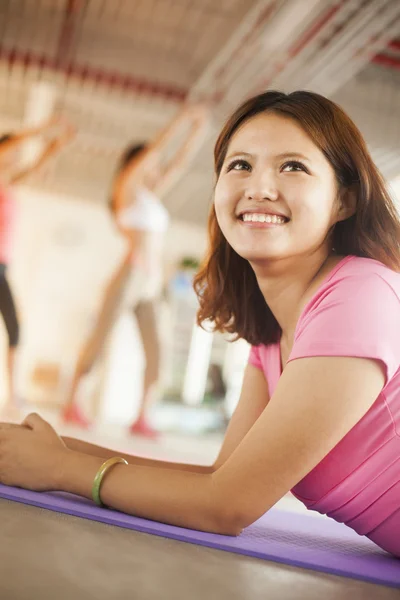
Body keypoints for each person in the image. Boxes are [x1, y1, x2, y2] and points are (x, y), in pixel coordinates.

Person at [0, 90, 399, 558]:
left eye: (293, 166)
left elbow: (227, 504)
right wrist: (60, 448)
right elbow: (222, 474)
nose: (259, 187)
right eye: (240, 165)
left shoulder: (362, 294)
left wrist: (58, 469)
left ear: (344, 200)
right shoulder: (271, 332)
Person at [61, 104, 210, 434]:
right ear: (138, 163)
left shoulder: (150, 196)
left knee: (157, 348)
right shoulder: (125, 190)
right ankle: (72, 402)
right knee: (100, 339)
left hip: (152, 284)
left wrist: (198, 130)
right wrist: (182, 118)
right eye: (152, 163)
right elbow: (157, 148)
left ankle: (142, 416)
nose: (158, 168)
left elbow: (180, 162)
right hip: (131, 273)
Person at [0, 118, 75, 416]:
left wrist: (57, 145)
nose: (17, 159)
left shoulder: (10, 183)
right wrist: (44, 128)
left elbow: (36, 164)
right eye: (12, 153)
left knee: (15, 330)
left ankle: (12, 396)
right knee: (15, 330)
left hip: (3, 268)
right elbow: (11, 145)